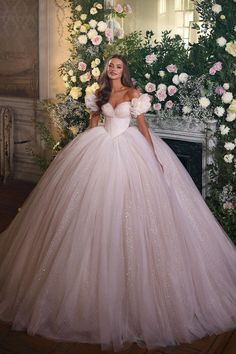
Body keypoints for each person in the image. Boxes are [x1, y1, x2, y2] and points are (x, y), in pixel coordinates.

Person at [0, 54, 235, 353]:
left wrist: (154, 158)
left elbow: (143, 126)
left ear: (125, 71)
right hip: (99, 148)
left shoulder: (133, 94)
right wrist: (79, 158)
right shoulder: (98, 94)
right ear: (106, 69)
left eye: (119, 66)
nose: (113, 69)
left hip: (130, 150)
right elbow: (93, 124)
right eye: (111, 65)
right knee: (87, 214)